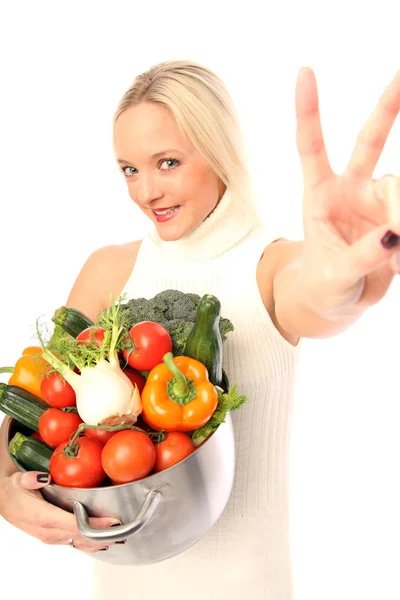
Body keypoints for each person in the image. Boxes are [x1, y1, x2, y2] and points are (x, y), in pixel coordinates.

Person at [0, 59, 399, 599]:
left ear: (218, 151)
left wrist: (344, 277)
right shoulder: (107, 270)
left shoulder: (272, 267)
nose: (146, 193)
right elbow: (32, 406)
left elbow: (324, 299)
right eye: (129, 169)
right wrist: (4, 489)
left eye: (168, 162)